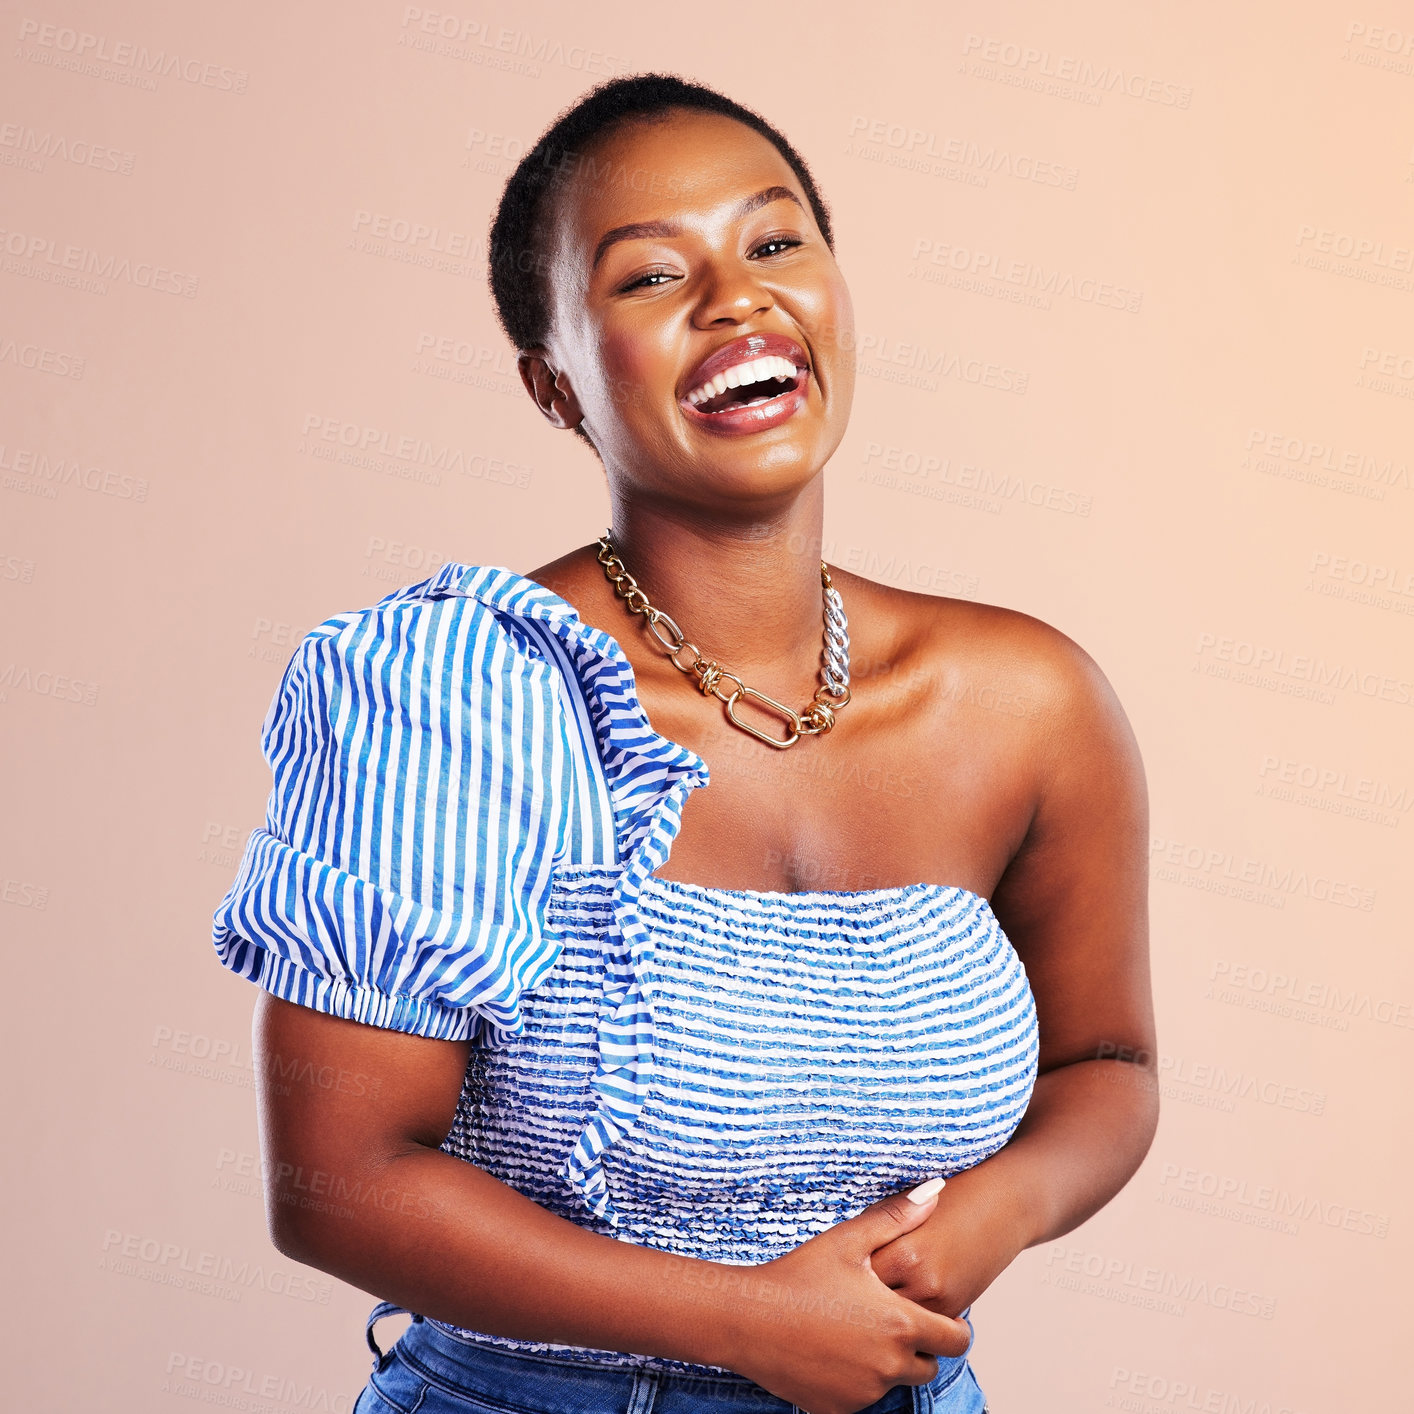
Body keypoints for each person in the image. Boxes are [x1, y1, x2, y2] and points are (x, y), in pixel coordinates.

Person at [211, 72, 1158, 1414]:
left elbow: (1105, 1067)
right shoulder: (452, 693)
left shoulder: (1023, 697)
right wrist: (748, 1322)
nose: (735, 298)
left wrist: (987, 1218)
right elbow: (339, 1179)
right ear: (556, 387)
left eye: (775, 244)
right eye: (651, 276)